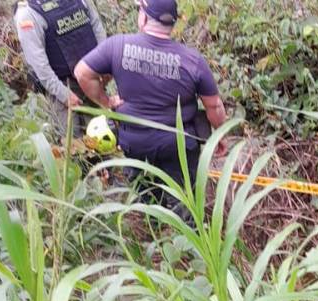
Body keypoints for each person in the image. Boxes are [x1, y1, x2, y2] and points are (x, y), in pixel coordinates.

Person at [73, 0, 227, 214]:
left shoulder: (117, 46)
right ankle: (189, 237)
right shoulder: (193, 61)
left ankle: (153, 232)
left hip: (135, 145)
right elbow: (214, 105)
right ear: (172, 24)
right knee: (185, 203)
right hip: (178, 146)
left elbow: (82, 73)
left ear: (143, 17)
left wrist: (106, 102)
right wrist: (220, 135)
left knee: (146, 201)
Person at [14, 0, 107, 132]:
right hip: (63, 88)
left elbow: (97, 28)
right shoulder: (28, 12)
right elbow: (39, 65)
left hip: (94, 79)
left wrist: (104, 67)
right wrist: (64, 95)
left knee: (107, 134)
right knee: (73, 143)